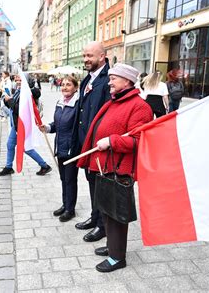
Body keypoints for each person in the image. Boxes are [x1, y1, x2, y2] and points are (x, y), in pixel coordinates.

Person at [77, 63, 153, 272]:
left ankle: (117, 258)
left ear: (127, 81)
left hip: (119, 168)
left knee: (117, 214)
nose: (109, 82)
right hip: (105, 165)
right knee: (107, 211)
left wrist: (112, 141)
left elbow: (139, 141)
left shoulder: (139, 106)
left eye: (113, 79)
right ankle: (113, 247)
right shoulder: (115, 101)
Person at [72, 41, 111, 243]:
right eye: (84, 55)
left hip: (98, 145)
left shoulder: (108, 80)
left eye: (90, 56)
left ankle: (102, 226)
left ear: (102, 57)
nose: (86, 59)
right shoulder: (88, 78)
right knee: (91, 182)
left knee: (101, 186)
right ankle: (95, 217)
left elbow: (108, 115)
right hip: (86, 144)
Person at [39, 76, 80, 222]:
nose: (65, 87)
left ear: (76, 87)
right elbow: (57, 124)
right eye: (63, 85)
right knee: (64, 178)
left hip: (71, 148)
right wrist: (47, 127)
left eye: (68, 85)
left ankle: (70, 209)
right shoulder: (60, 103)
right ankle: (65, 204)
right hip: (60, 146)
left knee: (70, 179)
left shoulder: (77, 104)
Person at [0, 73, 52, 177]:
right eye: (16, 79)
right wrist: (7, 100)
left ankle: (44, 165)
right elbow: (11, 105)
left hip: (23, 125)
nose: (17, 81)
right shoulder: (19, 91)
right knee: (10, 145)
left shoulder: (28, 93)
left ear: (26, 81)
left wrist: (10, 101)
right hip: (16, 124)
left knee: (26, 148)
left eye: (20, 79)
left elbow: (21, 110)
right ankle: (9, 167)